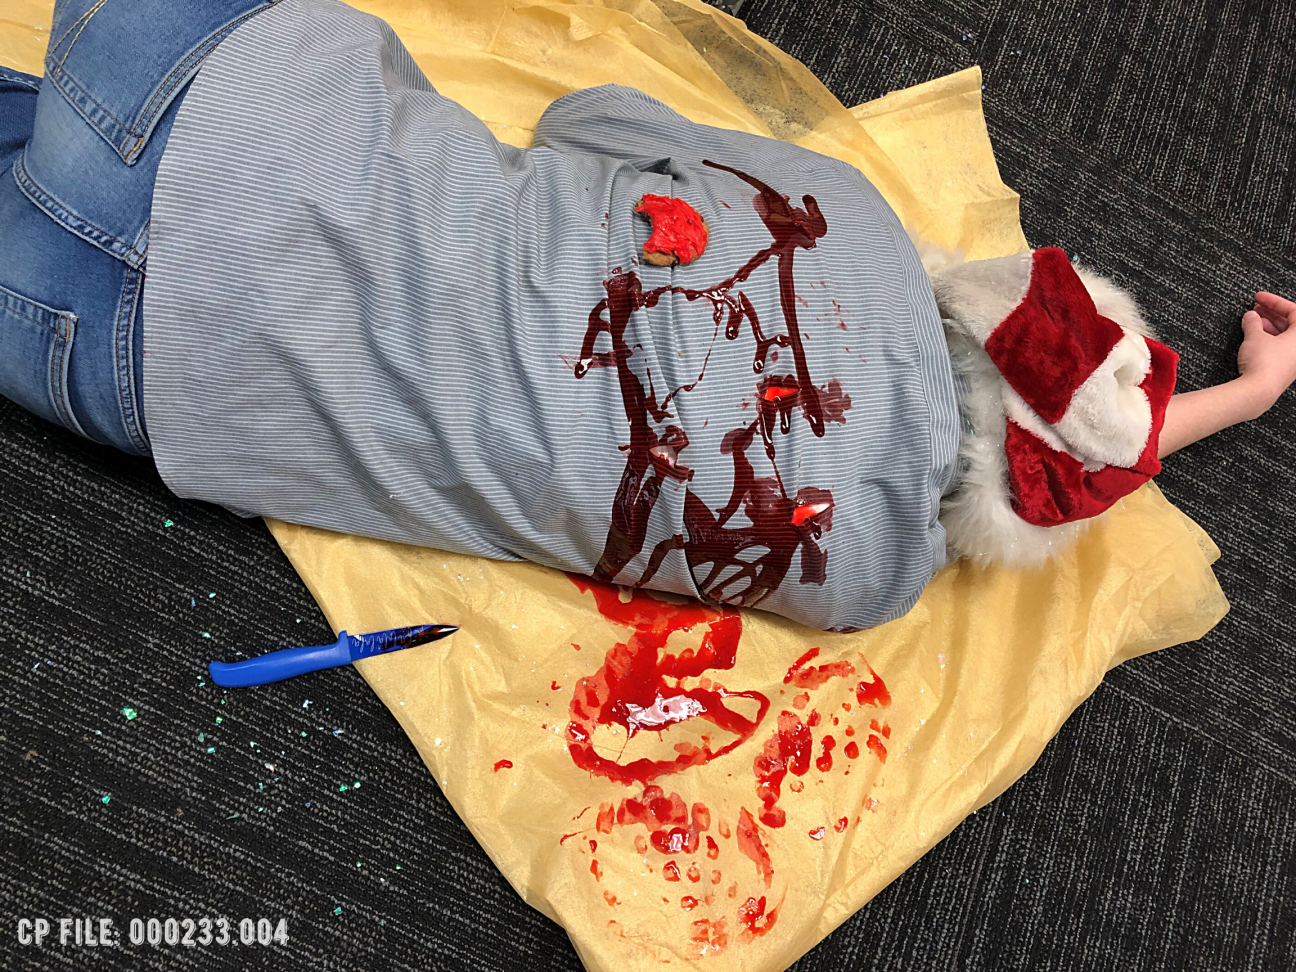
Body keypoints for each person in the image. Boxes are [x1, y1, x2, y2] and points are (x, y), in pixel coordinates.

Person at [1, 0, 1293, 632]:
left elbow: (584, 120)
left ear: (987, 293)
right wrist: (1247, 399)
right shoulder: (866, 587)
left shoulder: (830, 206)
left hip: (209, 118)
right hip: (108, 365)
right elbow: (1075, 459)